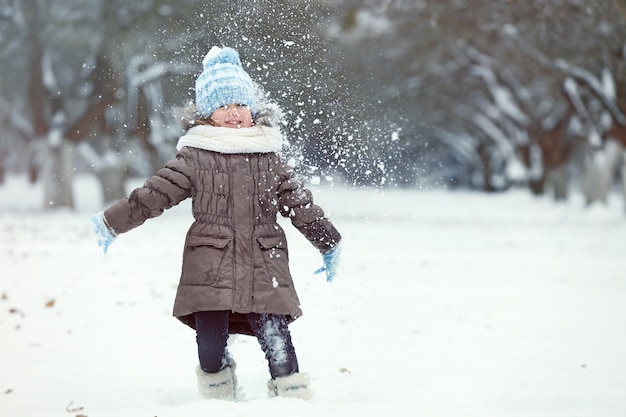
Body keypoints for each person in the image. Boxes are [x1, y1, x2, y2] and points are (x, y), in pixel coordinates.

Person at [90, 46, 342, 401]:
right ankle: (219, 396)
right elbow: (154, 194)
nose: (234, 114)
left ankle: (291, 399)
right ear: (208, 116)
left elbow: (301, 205)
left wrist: (328, 241)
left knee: (276, 337)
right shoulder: (195, 156)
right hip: (209, 265)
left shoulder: (270, 158)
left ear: (253, 110)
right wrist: (113, 221)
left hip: (263, 263)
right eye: (223, 107)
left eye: (240, 105)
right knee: (209, 341)